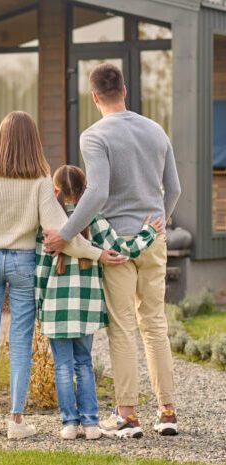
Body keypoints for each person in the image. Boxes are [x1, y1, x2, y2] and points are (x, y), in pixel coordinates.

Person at [0, 111, 121, 440]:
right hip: (23, 264)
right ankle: (16, 422)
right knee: (20, 343)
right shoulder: (39, 182)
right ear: (33, 142)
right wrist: (97, 253)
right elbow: (62, 235)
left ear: (0, 140)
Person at [44, 64, 181, 438]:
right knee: (154, 325)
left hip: (116, 246)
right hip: (152, 240)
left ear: (93, 97)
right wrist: (159, 224)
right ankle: (167, 411)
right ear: (125, 88)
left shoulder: (94, 136)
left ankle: (128, 416)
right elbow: (175, 188)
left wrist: (65, 233)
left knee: (122, 329)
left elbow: (98, 191)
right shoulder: (156, 130)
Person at [36, 164, 163, 441]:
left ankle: (69, 424)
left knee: (62, 366)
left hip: (56, 309)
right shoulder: (95, 219)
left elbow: (40, 269)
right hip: (87, 307)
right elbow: (122, 250)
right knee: (83, 363)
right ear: (86, 192)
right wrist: (148, 233)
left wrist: (40, 305)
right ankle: (92, 424)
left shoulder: (48, 222)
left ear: (55, 190)